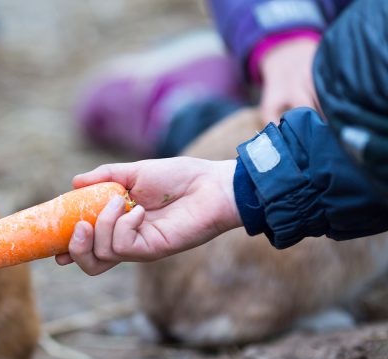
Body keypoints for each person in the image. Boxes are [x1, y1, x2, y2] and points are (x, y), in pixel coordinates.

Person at [59, 0, 388, 276]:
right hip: (330, 52)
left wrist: (237, 188)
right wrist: (284, 32)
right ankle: (176, 111)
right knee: (274, 123)